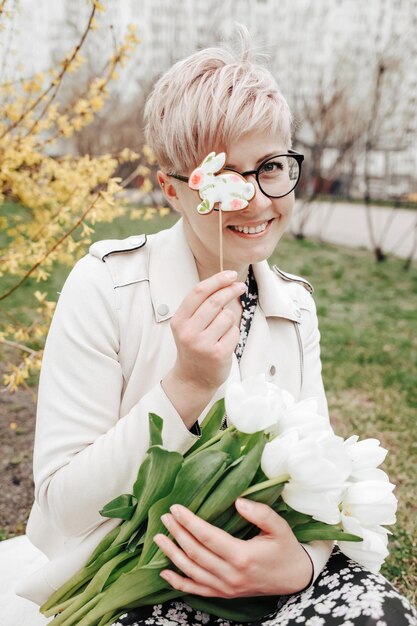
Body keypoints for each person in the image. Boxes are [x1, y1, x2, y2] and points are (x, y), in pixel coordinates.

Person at [1, 26, 415, 626]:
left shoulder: (293, 306)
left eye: (271, 166)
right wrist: (187, 385)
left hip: (270, 577)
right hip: (133, 575)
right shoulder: (105, 289)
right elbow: (62, 511)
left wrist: (300, 562)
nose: (254, 200)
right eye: (223, 176)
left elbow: (323, 473)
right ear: (171, 189)